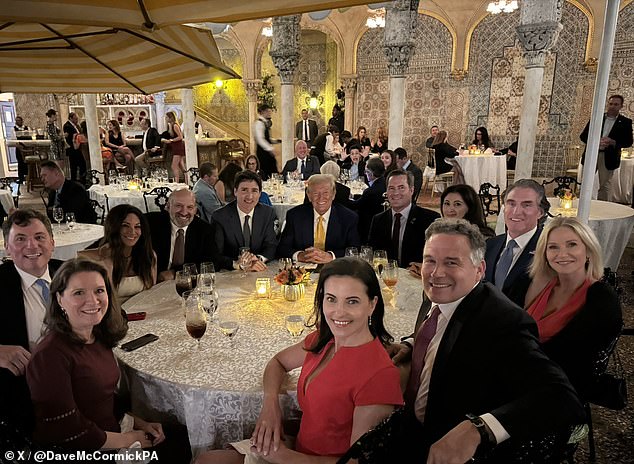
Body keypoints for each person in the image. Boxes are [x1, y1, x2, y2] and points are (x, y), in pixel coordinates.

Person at [388, 219, 584, 462]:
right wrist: (411, 343)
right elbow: (439, 329)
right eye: (430, 260)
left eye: (451, 262)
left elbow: (562, 397)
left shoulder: (504, 322)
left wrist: (479, 429)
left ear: (480, 270)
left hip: (446, 444)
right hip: (410, 425)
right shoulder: (439, 291)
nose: (436, 273)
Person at [197, 257, 403, 464]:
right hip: (296, 449)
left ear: (372, 304)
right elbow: (277, 362)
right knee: (204, 460)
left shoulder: (379, 375)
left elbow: (358, 463)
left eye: (352, 301)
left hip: (303, 459)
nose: (338, 312)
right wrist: (270, 406)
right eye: (331, 299)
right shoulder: (325, 340)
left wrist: (286, 457)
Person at [26, 258, 191, 461]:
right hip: (81, 451)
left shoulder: (98, 336)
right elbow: (66, 431)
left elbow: (102, 398)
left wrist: (138, 422)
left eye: (99, 291)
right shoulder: (50, 355)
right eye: (79, 293)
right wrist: (127, 440)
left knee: (188, 440)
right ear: (60, 299)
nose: (93, 301)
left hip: (111, 432)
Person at [524, 217, 623, 401]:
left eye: (572, 245)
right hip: (524, 377)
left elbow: (576, 363)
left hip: (557, 393)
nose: (562, 254)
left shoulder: (601, 298)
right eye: (553, 247)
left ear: (588, 251)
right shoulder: (543, 284)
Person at [0, 209, 62, 435]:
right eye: (20, 239)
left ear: (52, 242)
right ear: (7, 247)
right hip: (22, 398)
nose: (32, 246)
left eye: (39, 237)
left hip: (79, 383)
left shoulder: (70, 272)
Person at [484, 179, 547, 307]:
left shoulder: (547, 248)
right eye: (511, 204)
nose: (516, 211)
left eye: (526, 205)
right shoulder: (490, 245)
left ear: (540, 212)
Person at [79, 205, 156, 304]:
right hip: (109, 315)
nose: (132, 232)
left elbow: (152, 295)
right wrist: (107, 264)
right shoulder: (96, 258)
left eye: (137, 226)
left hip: (142, 314)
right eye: (125, 225)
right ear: (114, 227)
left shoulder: (148, 256)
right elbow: (101, 300)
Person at [277, 174, 360, 263]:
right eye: (315, 193)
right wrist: (299, 255)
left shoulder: (348, 217)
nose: (321, 198)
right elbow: (282, 248)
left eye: (325, 193)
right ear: (308, 195)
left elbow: (355, 250)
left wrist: (331, 256)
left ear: (333, 194)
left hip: (336, 269)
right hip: (302, 268)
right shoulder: (294, 215)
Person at [145, 188, 221, 281]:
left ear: (195, 210)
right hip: (153, 283)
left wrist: (176, 273)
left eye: (190, 207)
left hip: (188, 283)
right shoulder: (150, 224)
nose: (184, 212)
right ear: (168, 206)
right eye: (178, 206)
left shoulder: (204, 229)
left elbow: (213, 263)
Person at [368, 170, 440, 267]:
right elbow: (373, 253)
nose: (396, 193)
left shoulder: (430, 219)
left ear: (411, 190)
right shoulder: (378, 220)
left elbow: (438, 256)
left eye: (401, 188)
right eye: (391, 188)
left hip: (417, 278)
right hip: (387, 278)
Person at [211, 170, 278, 271]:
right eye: (244, 190)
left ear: (260, 193)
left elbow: (271, 246)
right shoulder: (220, 217)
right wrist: (237, 264)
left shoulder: (267, 213)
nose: (249, 196)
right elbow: (215, 254)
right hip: (232, 273)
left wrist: (257, 259)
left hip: (258, 270)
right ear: (235, 191)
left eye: (254, 191)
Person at [580, 94, 633, 201]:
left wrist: (613, 142)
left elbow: (628, 142)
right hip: (592, 154)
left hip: (609, 156)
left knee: (605, 185)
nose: (612, 106)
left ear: (621, 106)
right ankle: (582, 205)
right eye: (611, 104)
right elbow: (583, 136)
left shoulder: (626, 122)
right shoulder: (596, 118)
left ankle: (602, 209)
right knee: (585, 183)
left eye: (616, 104)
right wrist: (596, 141)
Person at [40, 160, 97, 224]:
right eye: (41, 177)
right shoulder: (52, 193)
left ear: (56, 173)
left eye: (44, 175)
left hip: (82, 229)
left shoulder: (76, 189)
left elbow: (72, 215)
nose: (42, 179)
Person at [352, 157, 386, 243]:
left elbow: (356, 206)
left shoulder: (370, 191)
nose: (365, 174)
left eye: (366, 171)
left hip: (368, 225)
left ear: (372, 173)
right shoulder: (385, 183)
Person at [254, 104, 279, 180]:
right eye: (268, 111)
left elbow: (266, 138)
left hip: (266, 152)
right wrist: (271, 149)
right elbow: (260, 139)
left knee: (272, 171)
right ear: (262, 112)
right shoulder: (258, 123)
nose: (269, 113)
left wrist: (276, 141)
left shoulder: (264, 123)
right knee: (266, 172)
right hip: (263, 153)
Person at [63, 112, 87, 184]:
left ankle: (82, 180)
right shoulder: (67, 126)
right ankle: (75, 182)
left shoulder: (76, 126)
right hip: (72, 149)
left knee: (81, 164)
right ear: (71, 118)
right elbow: (70, 137)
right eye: (75, 119)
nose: (77, 120)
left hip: (78, 148)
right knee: (74, 166)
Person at [164, 111, 186, 183]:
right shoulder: (170, 126)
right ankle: (187, 180)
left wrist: (171, 140)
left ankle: (177, 182)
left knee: (174, 166)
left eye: (167, 117)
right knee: (181, 166)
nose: (166, 119)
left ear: (170, 118)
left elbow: (180, 137)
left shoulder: (175, 126)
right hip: (175, 148)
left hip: (178, 148)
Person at [13, 116, 29, 182]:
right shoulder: (13, 129)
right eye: (16, 120)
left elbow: (29, 136)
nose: (17, 122)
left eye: (19, 120)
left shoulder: (27, 128)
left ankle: (28, 177)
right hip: (19, 147)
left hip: (27, 147)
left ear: (22, 121)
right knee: (20, 162)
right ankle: (21, 178)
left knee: (27, 163)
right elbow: (14, 139)